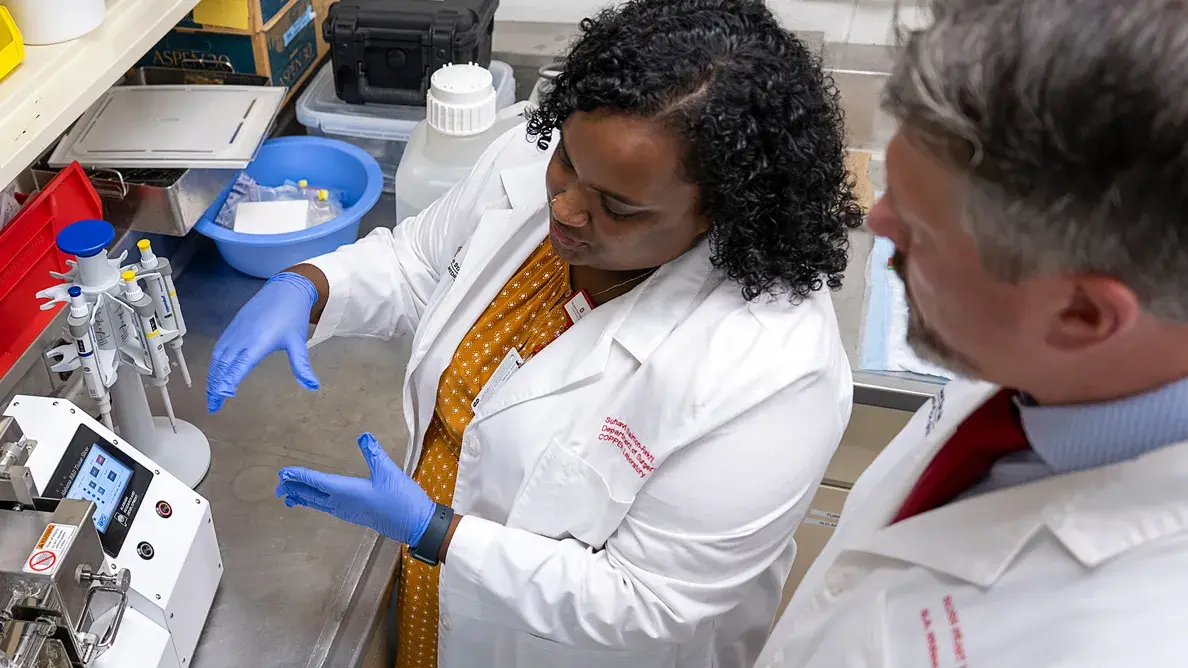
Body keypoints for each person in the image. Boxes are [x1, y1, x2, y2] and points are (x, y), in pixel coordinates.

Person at [206, 1, 864, 666]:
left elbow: (645, 603)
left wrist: (437, 532)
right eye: (569, 164)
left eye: (620, 208)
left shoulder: (775, 370)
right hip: (437, 591)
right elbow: (421, 263)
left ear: (725, 215)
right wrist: (311, 286)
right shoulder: (533, 154)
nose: (567, 208)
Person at [756, 0, 1188, 666]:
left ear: (1082, 316)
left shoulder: (1139, 637)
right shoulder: (1033, 366)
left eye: (921, 229)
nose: (878, 222)